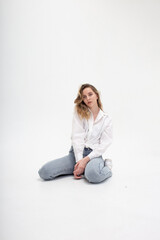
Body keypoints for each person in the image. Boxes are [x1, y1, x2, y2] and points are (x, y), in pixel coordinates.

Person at [38, 83, 113, 183]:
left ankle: (106, 166)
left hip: (94, 155)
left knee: (93, 175)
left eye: (90, 94)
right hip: (76, 153)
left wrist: (85, 160)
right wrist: (79, 162)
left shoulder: (106, 119)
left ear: (97, 95)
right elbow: (77, 137)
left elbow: (104, 144)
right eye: (84, 97)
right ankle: (83, 169)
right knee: (44, 172)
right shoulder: (80, 113)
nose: (88, 98)